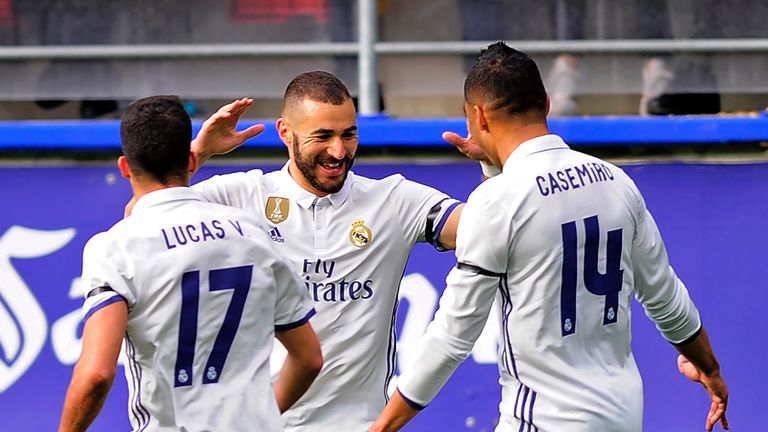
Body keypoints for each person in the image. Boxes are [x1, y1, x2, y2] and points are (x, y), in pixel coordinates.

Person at [369, 42, 729, 432]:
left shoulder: (497, 202)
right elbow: (666, 298)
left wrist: (382, 426)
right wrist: (709, 368)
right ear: (547, 103)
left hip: (543, 421)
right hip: (622, 417)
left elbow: (452, 337)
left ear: (478, 116)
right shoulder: (615, 182)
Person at [187, 70, 464, 431]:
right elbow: (140, 223)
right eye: (323, 136)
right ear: (285, 132)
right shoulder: (241, 196)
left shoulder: (393, 201)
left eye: (348, 134)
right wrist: (196, 154)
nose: (338, 151)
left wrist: (492, 161)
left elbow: (488, 230)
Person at [59, 96, 322, 432]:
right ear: (190, 160)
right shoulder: (252, 232)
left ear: (124, 167)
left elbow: (97, 374)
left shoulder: (115, 248)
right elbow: (309, 357)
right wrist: (263, 417)